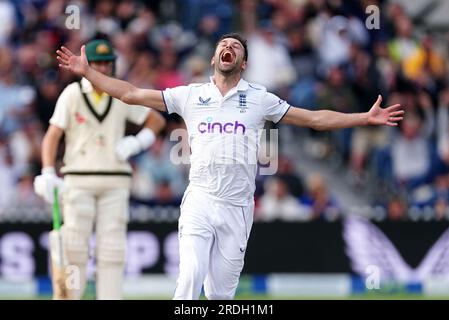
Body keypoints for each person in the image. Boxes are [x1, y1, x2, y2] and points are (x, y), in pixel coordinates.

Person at [56, 33, 404, 300]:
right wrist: (87, 73)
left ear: (243, 64)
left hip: (238, 208)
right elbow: (131, 93)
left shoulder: (259, 98)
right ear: (213, 58)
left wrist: (363, 117)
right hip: (200, 201)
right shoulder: (189, 95)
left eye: (235, 47)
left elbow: (314, 118)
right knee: (189, 277)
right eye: (223, 44)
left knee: (221, 294)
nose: (229, 47)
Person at [34, 39, 166, 300]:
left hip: (115, 181)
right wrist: (48, 171)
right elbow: (52, 136)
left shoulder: (119, 94)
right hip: (78, 180)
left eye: (107, 63)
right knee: (73, 247)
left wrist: (139, 141)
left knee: (112, 250)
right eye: (98, 64)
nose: (103, 69)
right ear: (87, 65)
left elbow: (156, 119)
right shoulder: (72, 94)